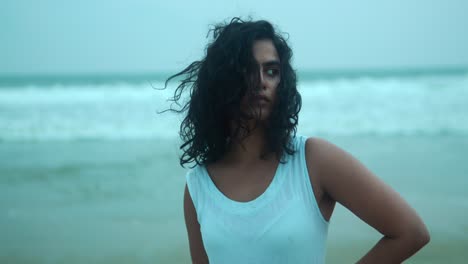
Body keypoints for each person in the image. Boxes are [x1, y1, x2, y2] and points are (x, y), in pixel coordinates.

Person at [164, 17, 430, 264]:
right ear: (222, 81)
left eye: (271, 71)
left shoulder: (312, 160)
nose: (261, 82)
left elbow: (410, 232)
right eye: (247, 70)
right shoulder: (198, 186)